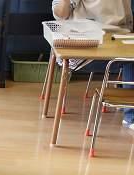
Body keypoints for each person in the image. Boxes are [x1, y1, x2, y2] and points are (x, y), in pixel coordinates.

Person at [52, 0, 134, 128]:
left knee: (129, 59)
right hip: (85, 45)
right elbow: (60, 14)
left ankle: (125, 102)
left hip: (119, 37)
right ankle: (130, 114)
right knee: (130, 61)